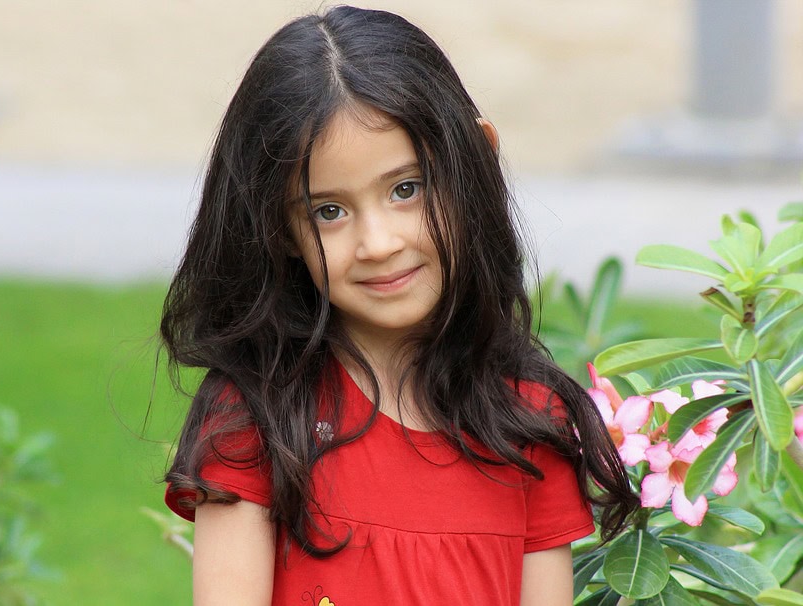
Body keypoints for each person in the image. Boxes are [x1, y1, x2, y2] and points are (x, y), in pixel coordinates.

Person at [159, 6, 638, 605]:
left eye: (406, 189)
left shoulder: (530, 426)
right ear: (278, 228)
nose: (379, 243)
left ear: (477, 161)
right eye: (328, 211)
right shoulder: (257, 420)